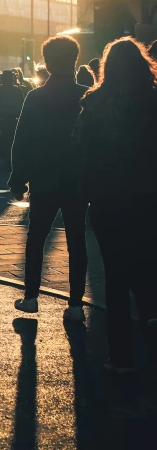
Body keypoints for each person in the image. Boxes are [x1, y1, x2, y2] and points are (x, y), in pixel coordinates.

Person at [72, 37, 157, 371]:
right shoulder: (152, 99)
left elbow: (78, 147)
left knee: (116, 275)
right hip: (149, 196)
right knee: (148, 269)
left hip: (107, 197)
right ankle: (151, 329)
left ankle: (120, 354)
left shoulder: (95, 102)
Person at [9, 35, 88, 322]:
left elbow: (22, 141)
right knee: (77, 240)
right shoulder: (87, 95)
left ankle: (31, 297)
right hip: (76, 178)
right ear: (75, 60)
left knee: (37, 237)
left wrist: (18, 177)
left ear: (47, 62)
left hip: (43, 177)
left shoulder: (36, 97)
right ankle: (76, 303)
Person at [0, 70, 24, 169]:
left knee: (5, 141)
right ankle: (12, 161)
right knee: (13, 140)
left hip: (2, 120)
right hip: (14, 120)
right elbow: (22, 105)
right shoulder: (17, 90)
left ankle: (6, 160)